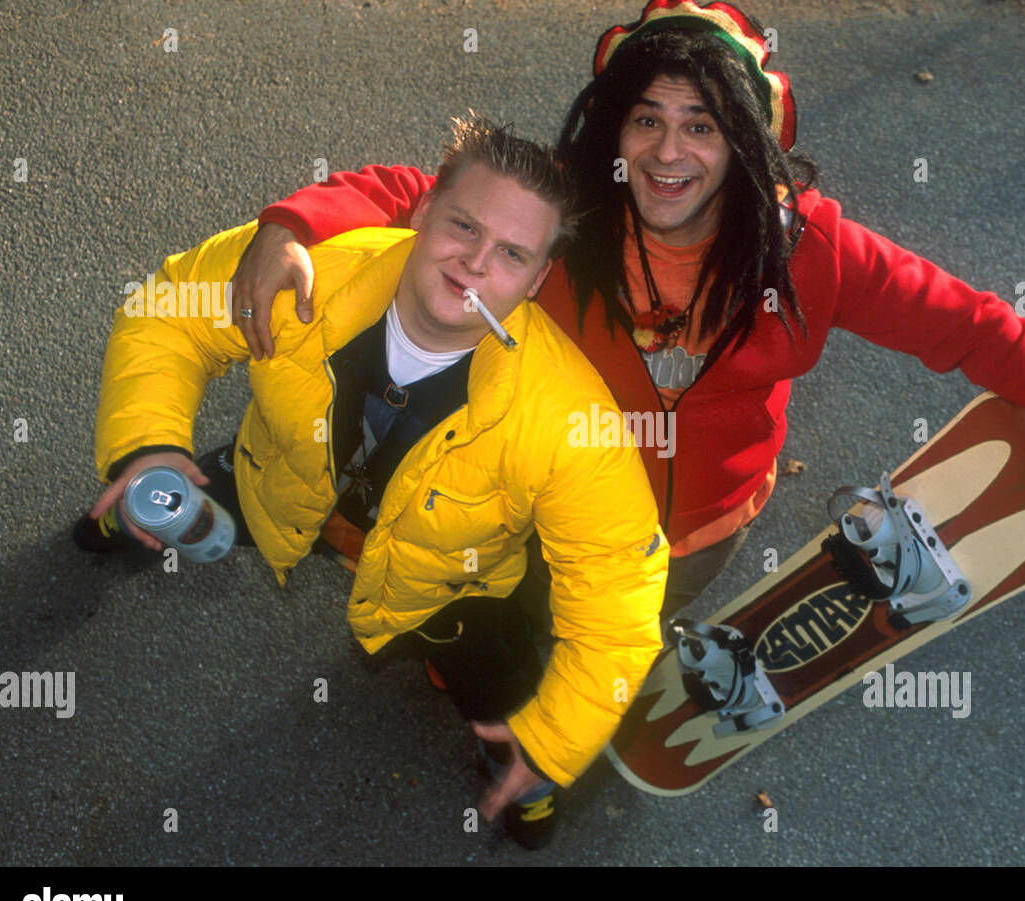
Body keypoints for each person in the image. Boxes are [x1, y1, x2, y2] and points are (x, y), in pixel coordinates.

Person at [230, 0, 1025, 618]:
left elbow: (974, 327)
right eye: (647, 119)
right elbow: (412, 193)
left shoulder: (811, 252)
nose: (670, 153)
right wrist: (294, 222)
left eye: (703, 124)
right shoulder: (568, 215)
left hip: (696, 539)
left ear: (747, 140)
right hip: (536, 510)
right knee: (487, 628)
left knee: (591, 640)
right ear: (614, 129)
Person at [75, 115, 669, 850]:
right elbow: (169, 314)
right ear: (422, 211)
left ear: (538, 278)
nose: (475, 264)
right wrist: (146, 444)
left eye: (512, 253)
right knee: (180, 482)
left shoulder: (569, 418)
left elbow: (618, 598)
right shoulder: (310, 273)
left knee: (499, 686)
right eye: (463, 226)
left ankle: (517, 766)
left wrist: (554, 740)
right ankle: (143, 494)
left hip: (453, 585)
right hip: (281, 481)